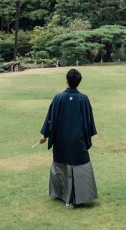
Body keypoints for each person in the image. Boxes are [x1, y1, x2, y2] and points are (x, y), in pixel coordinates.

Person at [38, 69, 98, 208]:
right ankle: (78, 197)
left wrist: (44, 135)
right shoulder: (83, 99)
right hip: (78, 140)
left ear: (67, 80)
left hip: (61, 140)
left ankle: (63, 195)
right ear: (78, 82)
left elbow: (50, 119)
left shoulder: (58, 97)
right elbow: (89, 121)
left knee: (62, 165)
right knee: (78, 165)